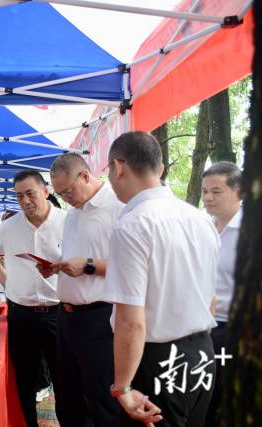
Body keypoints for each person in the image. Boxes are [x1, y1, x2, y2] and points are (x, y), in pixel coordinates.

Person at [103, 131, 218, 427]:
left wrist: (123, 387)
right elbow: (211, 297)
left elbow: (131, 319)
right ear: (161, 168)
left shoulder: (132, 225)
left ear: (118, 167)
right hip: (201, 352)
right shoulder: (201, 219)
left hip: (158, 358)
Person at [44, 153, 123, 426]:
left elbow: (134, 267)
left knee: (102, 397)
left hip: (100, 317)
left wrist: (88, 266)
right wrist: (58, 267)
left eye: (68, 191)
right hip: (66, 316)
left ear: (86, 176)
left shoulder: (118, 207)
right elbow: (76, 259)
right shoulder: (73, 214)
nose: (66, 198)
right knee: (67, 395)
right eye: (59, 194)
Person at [0, 169, 67, 427]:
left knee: (65, 378)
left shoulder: (68, 222)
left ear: (46, 191)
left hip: (58, 312)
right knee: (24, 378)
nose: (25, 201)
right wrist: (11, 285)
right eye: (19, 196)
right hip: (22, 314)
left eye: (30, 194)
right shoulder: (9, 228)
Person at [201, 161, 242, 424]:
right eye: (205, 191)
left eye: (216, 191)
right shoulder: (202, 227)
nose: (207, 198)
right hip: (202, 328)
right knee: (205, 399)